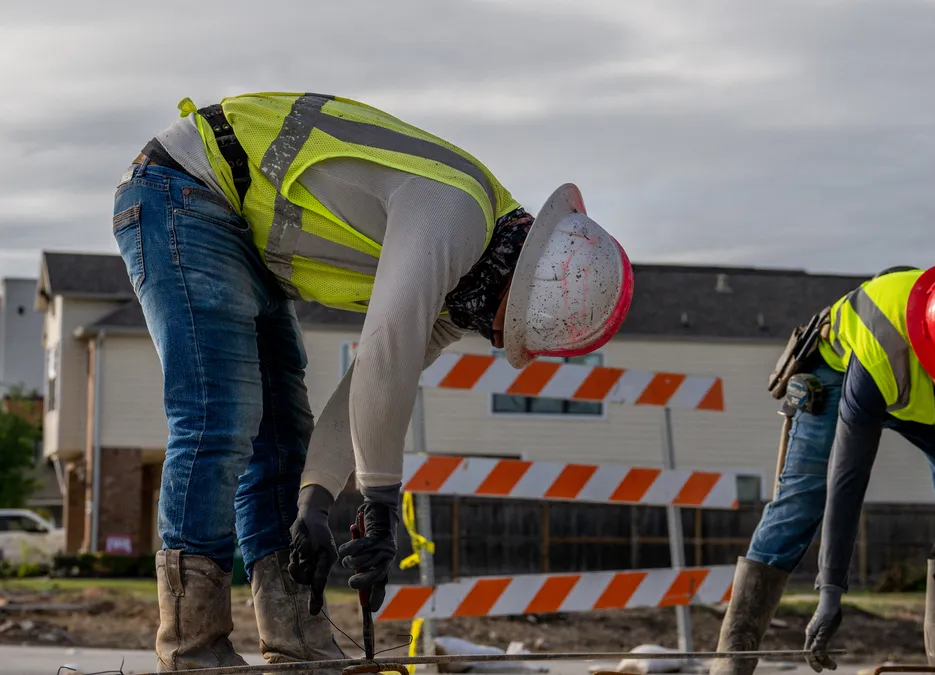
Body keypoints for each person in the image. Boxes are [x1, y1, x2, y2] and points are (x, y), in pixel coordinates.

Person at [113, 92, 634, 671]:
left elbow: (366, 390)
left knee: (287, 441)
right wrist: (382, 502)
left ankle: (299, 642)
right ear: (514, 285)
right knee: (220, 415)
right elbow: (386, 351)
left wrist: (316, 498)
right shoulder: (454, 213)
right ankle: (192, 647)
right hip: (185, 188)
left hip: (240, 223)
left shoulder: (461, 286)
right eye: (504, 324)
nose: (492, 335)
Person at [711, 263, 935, 675]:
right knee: (807, 496)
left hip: (917, 383)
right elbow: (846, 478)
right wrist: (831, 591)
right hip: (842, 370)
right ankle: (733, 659)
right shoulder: (880, 346)